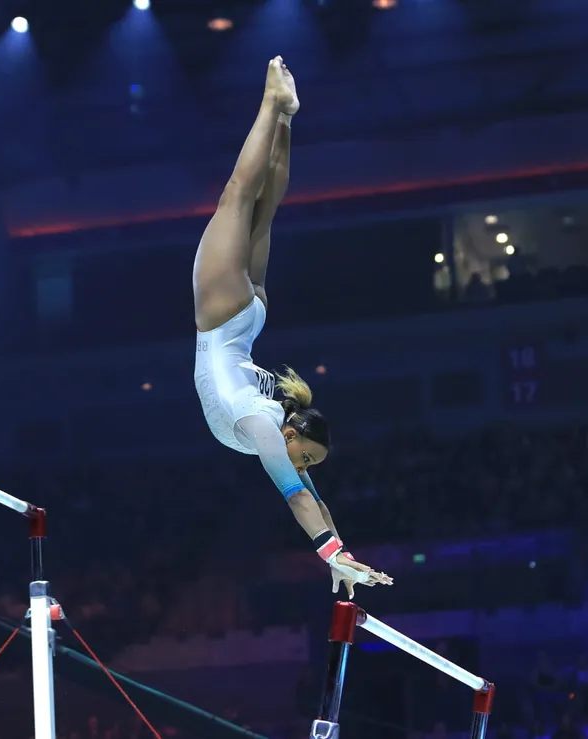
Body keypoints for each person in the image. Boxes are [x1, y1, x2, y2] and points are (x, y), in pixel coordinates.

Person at [192, 56, 392, 598]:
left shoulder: (271, 426)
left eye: (305, 462)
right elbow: (303, 501)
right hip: (225, 315)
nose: (302, 467)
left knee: (261, 204)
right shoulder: (263, 426)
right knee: (239, 195)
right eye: (306, 457)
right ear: (293, 434)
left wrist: (339, 556)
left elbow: (311, 499)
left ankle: (284, 115)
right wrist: (335, 552)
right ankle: (272, 106)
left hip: (246, 317)